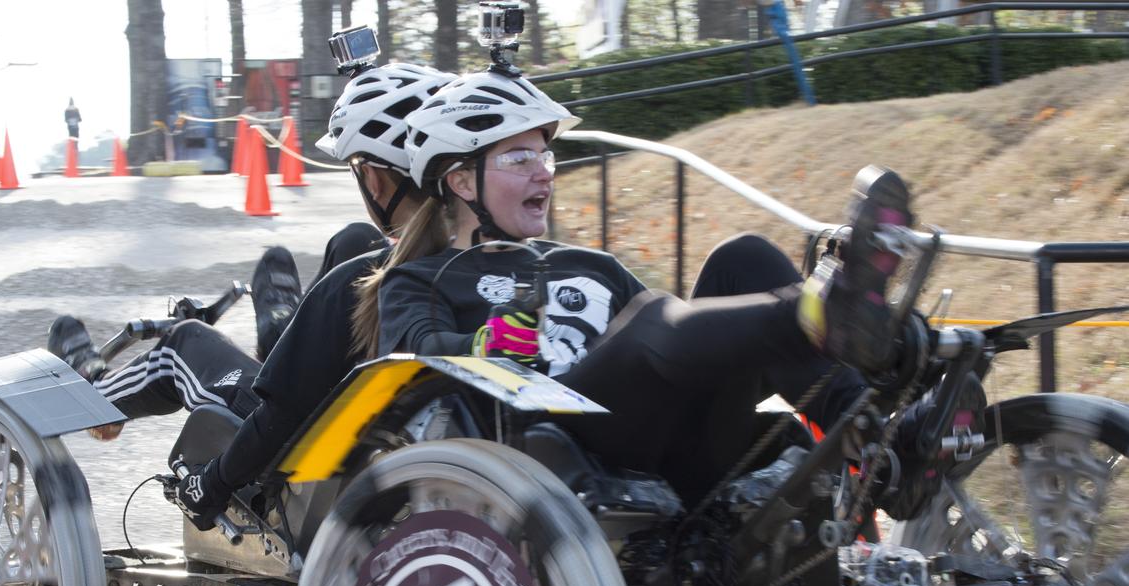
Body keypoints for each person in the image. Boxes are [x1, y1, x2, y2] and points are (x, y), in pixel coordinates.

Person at [357, 69, 921, 508]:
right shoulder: (420, 278)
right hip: (556, 450)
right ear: (461, 181)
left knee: (742, 257)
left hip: (680, 440)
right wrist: (483, 345)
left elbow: (678, 337)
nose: (545, 171)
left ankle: (879, 440)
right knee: (651, 321)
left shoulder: (589, 263)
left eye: (545, 155)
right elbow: (412, 359)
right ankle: (824, 312)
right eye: (519, 157)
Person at [44, 64, 455, 520]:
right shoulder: (471, 264)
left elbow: (281, 417)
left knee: (183, 341)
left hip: (291, 443)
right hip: (383, 428)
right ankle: (281, 330)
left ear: (373, 179)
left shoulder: (362, 280)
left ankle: (98, 393)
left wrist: (214, 482)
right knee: (351, 239)